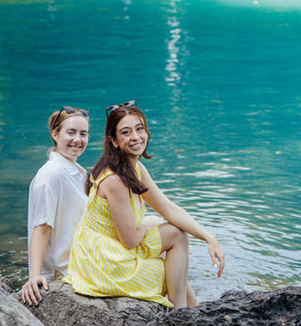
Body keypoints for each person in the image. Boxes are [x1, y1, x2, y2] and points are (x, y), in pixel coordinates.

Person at [64, 101, 225, 309]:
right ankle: (180, 313)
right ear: (113, 140)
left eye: (139, 129)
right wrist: (150, 225)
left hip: (104, 248)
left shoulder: (135, 167)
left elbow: (169, 209)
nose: (136, 137)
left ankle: (194, 311)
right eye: (126, 132)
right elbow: (130, 240)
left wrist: (209, 238)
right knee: (176, 238)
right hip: (102, 264)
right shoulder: (115, 180)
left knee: (166, 234)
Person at [21, 107, 90, 305]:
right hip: (65, 273)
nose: (77, 139)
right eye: (71, 132)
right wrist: (34, 276)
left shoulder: (77, 172)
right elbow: (41, 227)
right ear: (55, 134)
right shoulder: (50, 176)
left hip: (81, 261)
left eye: (83, 134)